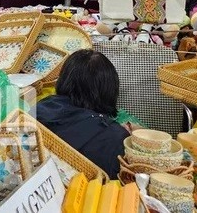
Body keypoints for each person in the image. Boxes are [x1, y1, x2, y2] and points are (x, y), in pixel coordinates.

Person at [35, 50, 129, 179]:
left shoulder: (41, 107)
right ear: (110, 88)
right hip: (89, 197)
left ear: (64, 79)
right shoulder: (116, 138)